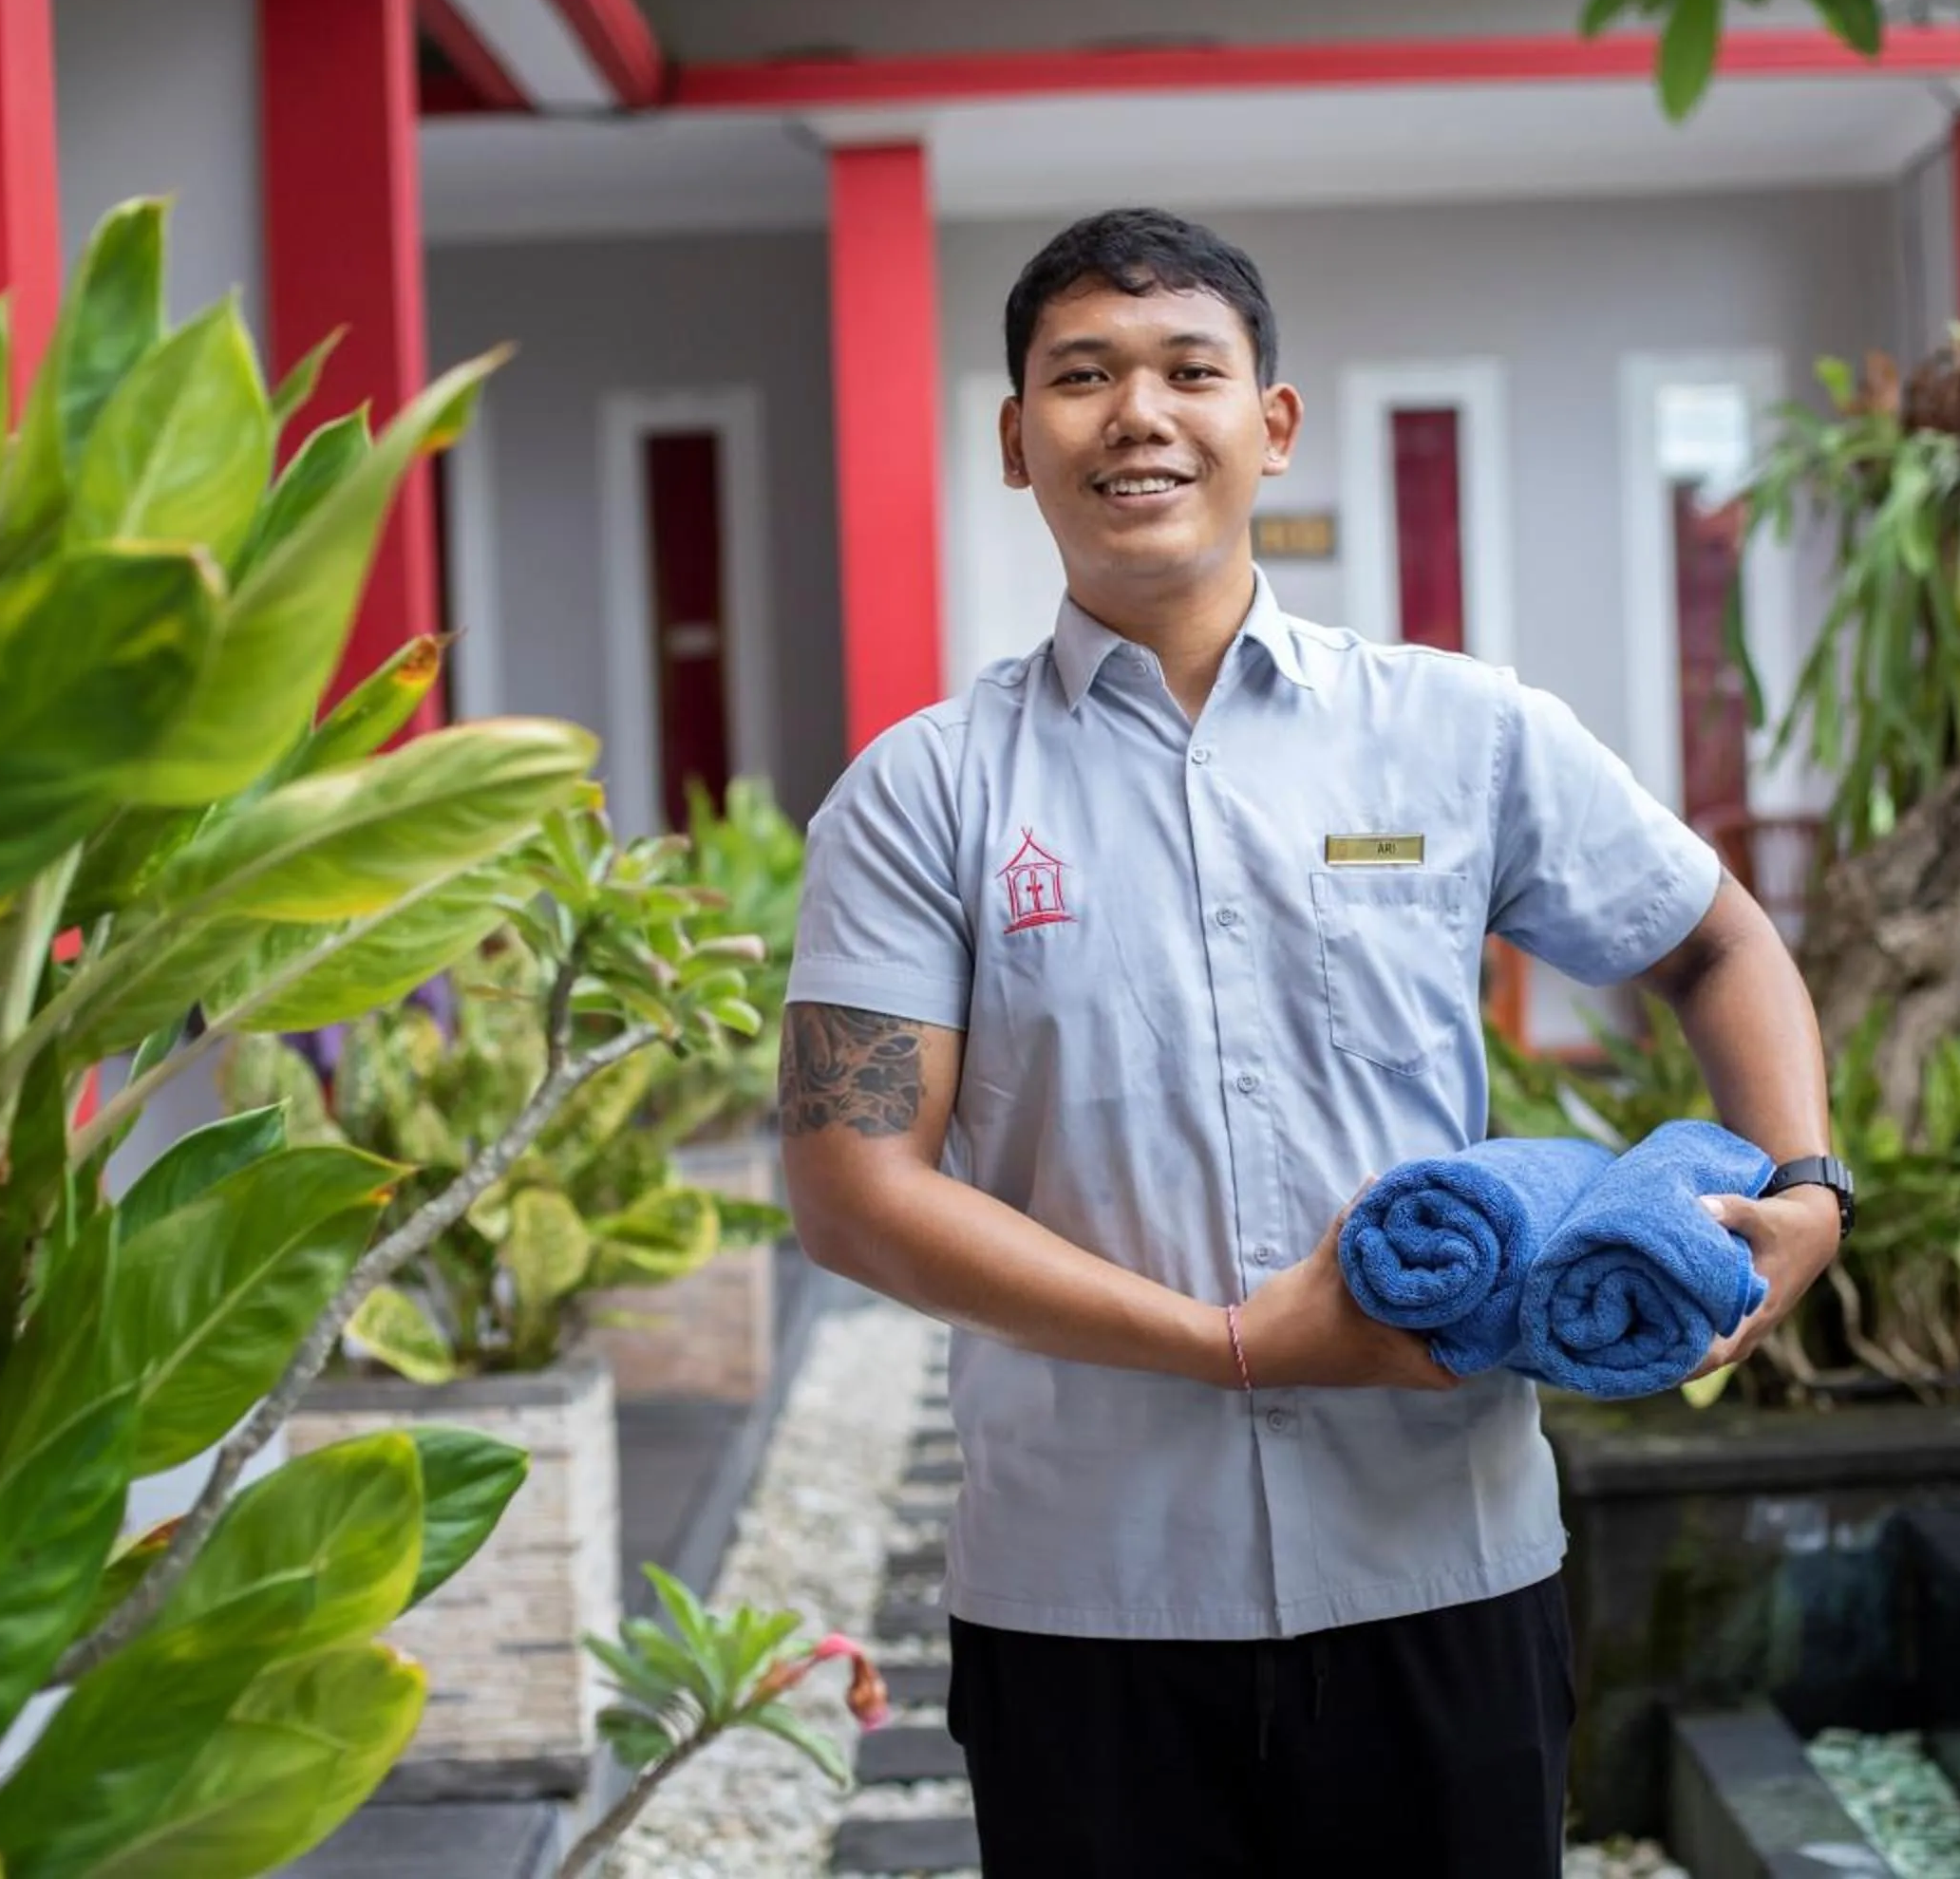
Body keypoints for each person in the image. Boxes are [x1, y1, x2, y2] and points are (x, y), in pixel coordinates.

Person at [777, 207, 1849, 1878]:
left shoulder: (1462, 732)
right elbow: (853, 1186)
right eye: (1081, 376)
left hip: (1444, 1565)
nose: (1138, 414)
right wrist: (1230, 1344)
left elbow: (1715, 941)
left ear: (1271, 424)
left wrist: (1808, 1189)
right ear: (1014, 440)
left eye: (1190, 370)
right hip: (1087, 1590)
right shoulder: (923, 795)